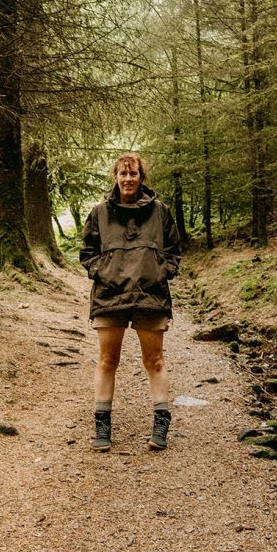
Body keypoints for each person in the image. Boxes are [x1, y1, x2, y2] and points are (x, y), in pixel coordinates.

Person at [80, 152, 182, 452]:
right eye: (123, 174)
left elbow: (174, 250)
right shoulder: (99, 212)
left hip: (150, 297)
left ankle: (161, 423)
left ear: (141, 177)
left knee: (155, 360)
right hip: (109, 297)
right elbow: (88, 253)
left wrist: (158, 273)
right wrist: (106, 272)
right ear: (115, 177)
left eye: (133, 174)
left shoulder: (160, 211)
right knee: (107, 361)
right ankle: (102, 426)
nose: (128, 179)